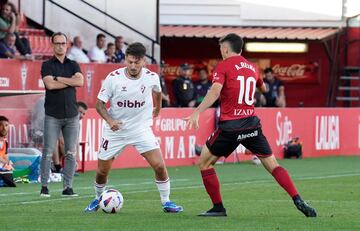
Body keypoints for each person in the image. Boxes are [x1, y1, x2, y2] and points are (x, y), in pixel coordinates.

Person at [185, 33, 317, 217]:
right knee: (273, 164)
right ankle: (298, 199)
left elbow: (215, 92)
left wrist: (197, 111)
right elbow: (264, 89)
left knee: (205, 163)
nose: (221, 51)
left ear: (225, 49)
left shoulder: (222, 66)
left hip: (230, 126)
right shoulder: (253, 67)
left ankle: (218, 208)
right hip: (251, 125)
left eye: (221, 48)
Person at [85, 42, 183, 213]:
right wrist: (110, 121)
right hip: (116, 130)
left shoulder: (151, 77)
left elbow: (158, 92)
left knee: (159, 165)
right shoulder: (113, 78)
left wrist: (158, 109)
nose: (133, 66)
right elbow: (99, 104)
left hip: (141, 129)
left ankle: (166, 201)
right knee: (102, 171)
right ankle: (97, 198)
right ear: (125, 60)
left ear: (143, 61)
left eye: (137, 62)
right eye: (130, 62)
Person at [40, 32, 84, 197]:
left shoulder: (73, 64)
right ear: (52, 45)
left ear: (67, 45)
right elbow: (50, 85)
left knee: (71, 152)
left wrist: (59, 78)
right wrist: (67, 80)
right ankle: (44, 187)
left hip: (72, 115)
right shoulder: (46, 65)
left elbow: (80, 82)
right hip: (52, 114)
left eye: (63, 43)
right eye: (57, 43)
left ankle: (68, 187)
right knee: (48, 151)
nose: (60, 46)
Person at [52, 101, 88, 173]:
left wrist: (77, 158)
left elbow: (76, 141)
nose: (82, 115)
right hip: (46, 138)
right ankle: (56, 167)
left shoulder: (77, 124)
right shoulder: (64, 119)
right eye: (80, 112)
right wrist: (72, 160)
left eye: (84, 114)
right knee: (56, 142)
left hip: (62, 146)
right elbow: (61, 141)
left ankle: (58, 168)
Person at [0, 115, 16, 187]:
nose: (4, 128)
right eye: (1, 125)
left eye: (6, 126)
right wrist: (7, 163)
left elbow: (6, 157)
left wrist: (8, 164)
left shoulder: (5, 143)